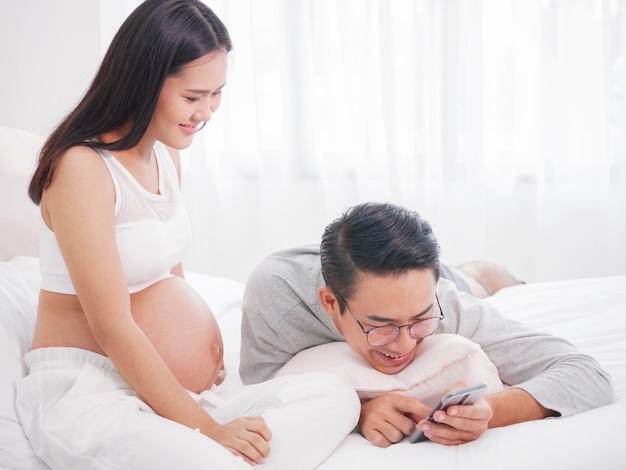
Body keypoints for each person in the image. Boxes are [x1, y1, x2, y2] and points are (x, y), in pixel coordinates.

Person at [16, 1, 359, 469]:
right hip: (91, 391)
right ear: (144, 81)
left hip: (173, 394)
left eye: (216, 94)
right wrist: (207, 428)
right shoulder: (83, 168)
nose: (206, 112)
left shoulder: (164, 156)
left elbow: (167, 280)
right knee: (210, 458)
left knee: (335, 396)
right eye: (193, 96)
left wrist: (198, 360)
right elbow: (111, 325)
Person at [240, 201, 615, 448]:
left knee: (482, 280)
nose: (403, 347)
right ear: (330, 302)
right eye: (380, 326)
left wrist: (492, 411)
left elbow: (586, 375)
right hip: (337, 266)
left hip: (454, 282)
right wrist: (359, 411)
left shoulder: (444, 302)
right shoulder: (276, 298)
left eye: (419, 322)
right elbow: (262, 396)